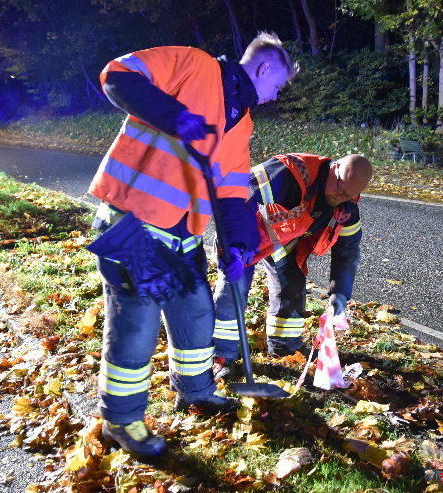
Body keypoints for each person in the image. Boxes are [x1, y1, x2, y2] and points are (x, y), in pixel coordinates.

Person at [85, 33, 298, 456]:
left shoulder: (242, 120)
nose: (275, 97)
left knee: (196, 312)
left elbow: (234, 189)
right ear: (263, 69)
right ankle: (121, 420)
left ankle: (195, 392)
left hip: (181, 236)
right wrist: (174, 116)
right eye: (278, 86)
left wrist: (239, 242)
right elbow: (118, 74)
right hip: (134, 223)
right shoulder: (192, 64)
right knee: (137, 323)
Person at [212, 153, 373, 377]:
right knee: (234, 288)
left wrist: (340, 292)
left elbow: (347, 252)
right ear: (334, 167)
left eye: (348, 194)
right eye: (339, 187)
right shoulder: (290, 173)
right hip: (245, 235)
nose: (339, 196)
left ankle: (283, 345)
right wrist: (240, 241)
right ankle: (221, 356)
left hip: (281, 239)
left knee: (292, 284)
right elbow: (240, 193)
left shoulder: (346, 208)